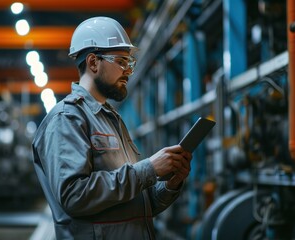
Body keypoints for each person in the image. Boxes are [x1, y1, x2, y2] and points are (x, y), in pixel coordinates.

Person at [32, 16, 192, 239]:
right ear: (93, 62)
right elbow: (74, 196)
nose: (128, 70)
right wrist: (149, 169)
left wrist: (171, 185)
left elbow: (137, 206)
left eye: (130, 63)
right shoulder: (67, 118)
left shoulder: (111, 119)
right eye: (121, 61)